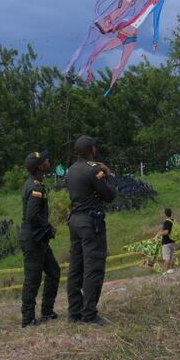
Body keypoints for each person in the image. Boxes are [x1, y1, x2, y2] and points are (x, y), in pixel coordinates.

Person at [65, 136, 116, 325]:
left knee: (75, 268)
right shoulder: (93, 171)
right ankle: (89, 314)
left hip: (75, 221)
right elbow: (109, 195)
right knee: (93, 267)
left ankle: (74, 313)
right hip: (90, 222)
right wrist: (108, 174)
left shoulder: (70, 170)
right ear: (92, 150)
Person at [20, 151, 60, 327]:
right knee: (33, 279)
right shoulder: (35, 187)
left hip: (39, 238)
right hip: (33, 238)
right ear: (40, 167)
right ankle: (28, 318)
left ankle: (46, 311)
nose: (48, 160)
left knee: (53, 272)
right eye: (45, 160)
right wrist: (49, 226)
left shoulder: (37, 184)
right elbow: (32, 216)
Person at [157, 208, 178, 272]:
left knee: (167, 258)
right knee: (172, 257)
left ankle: (166, 272)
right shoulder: (173, 221)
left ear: (165, 214)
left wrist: (159, 233)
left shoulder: (167, 222)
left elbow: (166, 232)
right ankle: (172, 270)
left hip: (166, 242)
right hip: (173, 241)